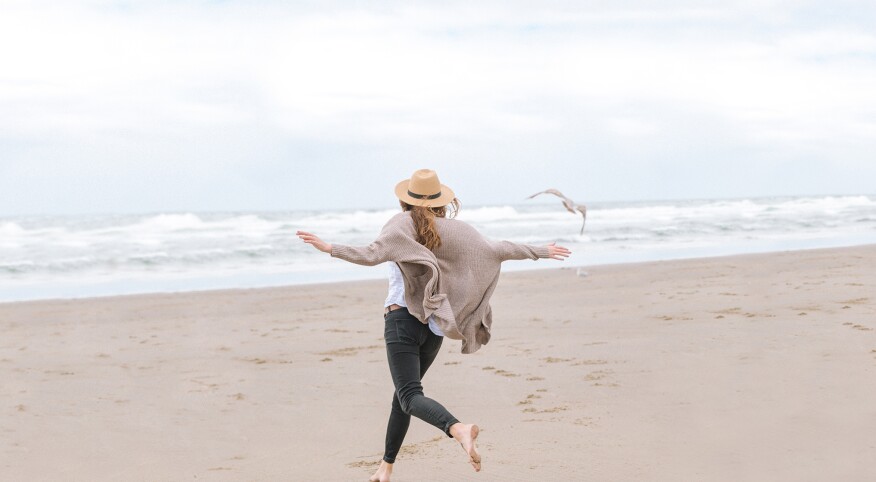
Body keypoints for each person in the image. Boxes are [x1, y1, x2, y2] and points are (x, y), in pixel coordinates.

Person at [297, 169, 570, 481]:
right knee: (403, 397)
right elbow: (497, 249)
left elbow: (372, 253)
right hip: (433, 329)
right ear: (441, 201)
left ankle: (457, 428)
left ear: (406, 200)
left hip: (401, 322)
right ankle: (386, 467)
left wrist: (330, 248)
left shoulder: (401, 223)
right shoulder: (457, 231)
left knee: (409, 396)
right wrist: (540, 252)